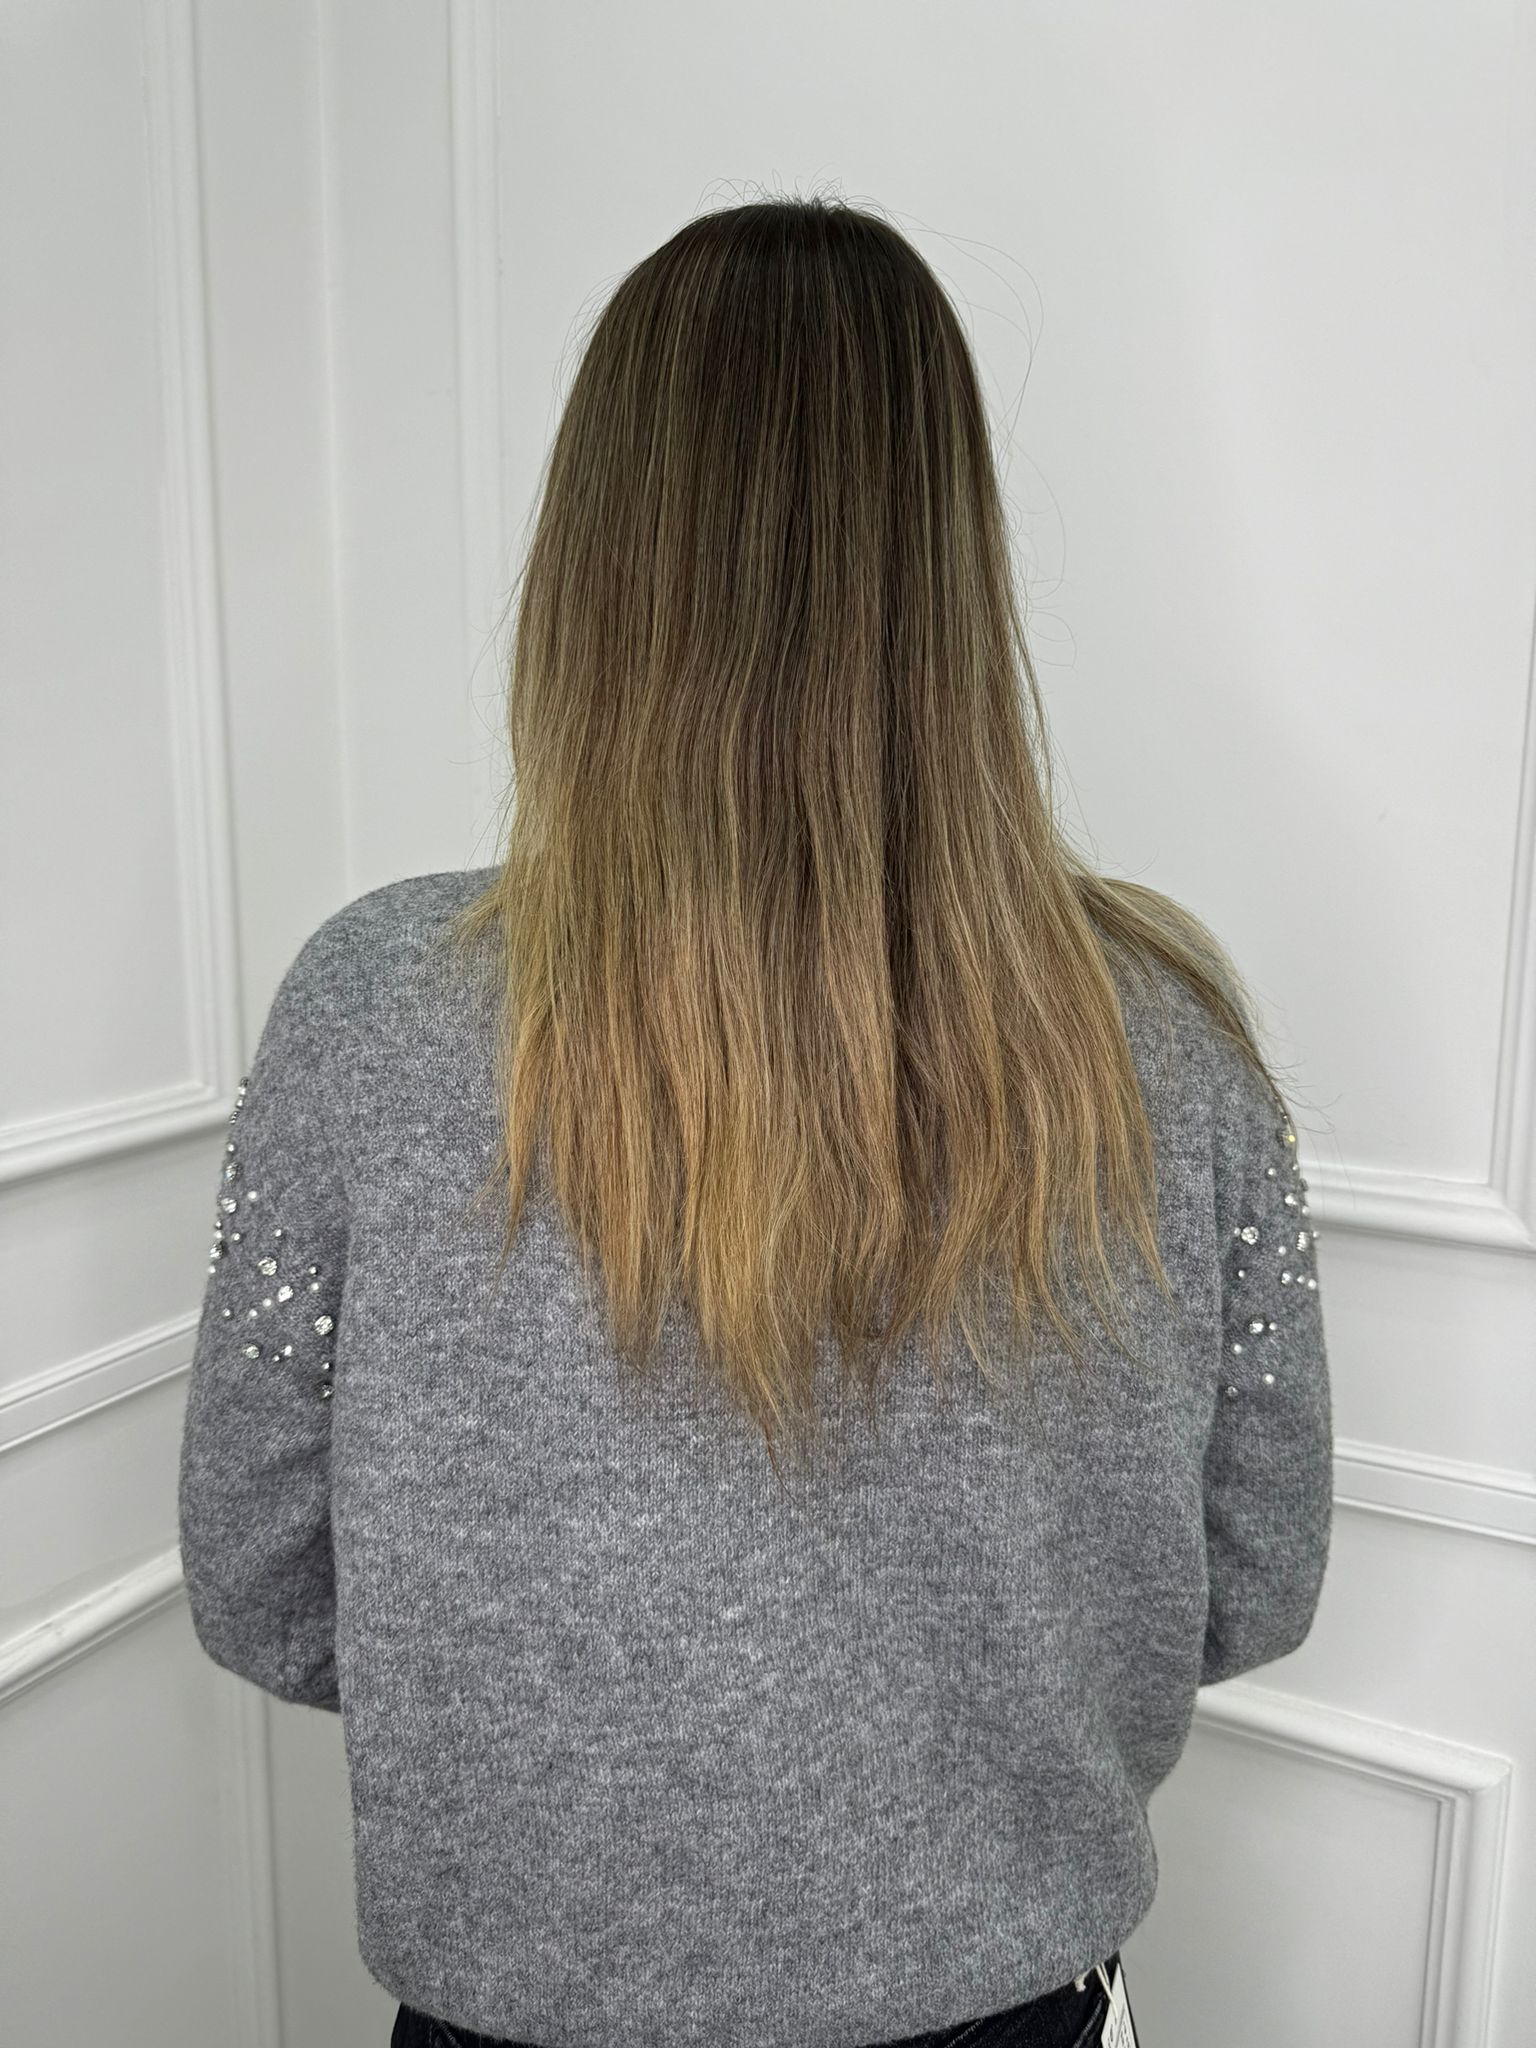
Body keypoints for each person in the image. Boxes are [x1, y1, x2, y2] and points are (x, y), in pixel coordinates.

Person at [178, 196, 1332, 2048]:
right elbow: (1252, 1577)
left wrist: (563, 1772)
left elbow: (261, 1583)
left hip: (517, 2004)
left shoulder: (374, 1009)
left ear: (595, 556)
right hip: (1008, 1999)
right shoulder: (1165, 1035)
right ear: (951, 560)